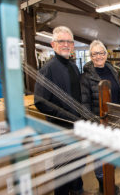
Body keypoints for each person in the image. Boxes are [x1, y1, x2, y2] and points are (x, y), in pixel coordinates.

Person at [34, 26, 83, 194]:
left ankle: (77, 189)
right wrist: (66, 116)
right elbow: (40, 101)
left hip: (77, 126)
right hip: (59, 129)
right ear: (53, 44)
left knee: (77, 162)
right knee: (63, 170)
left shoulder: (74, 67)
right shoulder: (47, 70)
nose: (66, 45)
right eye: (62, 41)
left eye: (69, 41)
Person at [80, 40, 120, 193]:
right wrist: (94, 124)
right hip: (98, 123)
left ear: (106, 54)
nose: (99, 56)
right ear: (91, 56)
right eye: (95, 53)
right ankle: (103, 184)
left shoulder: (112, 70)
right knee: (100, 157)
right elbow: (84, 104)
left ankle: (107, 181)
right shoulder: (86, 77)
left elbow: (117, 95)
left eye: (101, 53)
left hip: (114, 121)